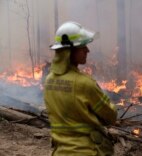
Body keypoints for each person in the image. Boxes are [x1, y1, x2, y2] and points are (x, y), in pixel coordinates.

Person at [44, 21, 117, 156]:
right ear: (69, 51)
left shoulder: (49, 81)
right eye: (82, 46)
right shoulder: (84, 83)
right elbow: (110, 117)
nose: (87, 50)